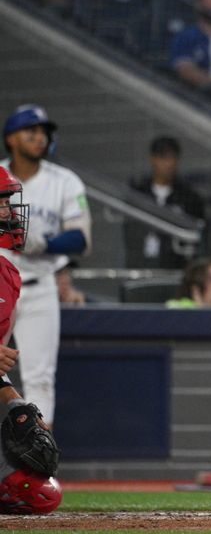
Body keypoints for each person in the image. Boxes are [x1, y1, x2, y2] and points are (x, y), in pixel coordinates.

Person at [1, 104, 92, 427]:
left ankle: (38, 464)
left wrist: (45, 243)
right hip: (0, 285)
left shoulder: (64, 181)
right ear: (11, 137)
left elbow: (80, 238)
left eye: (43, 132)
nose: (40, 138)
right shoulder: (0, 175)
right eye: (31, 131)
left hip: (39, 285)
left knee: (40, 378)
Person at [0, 166, 62, 515]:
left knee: (39, 493)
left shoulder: (5, 274)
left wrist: (15, 402)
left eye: (9, 201)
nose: (9, 211)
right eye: (1, 202)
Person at [124, 136, 206, 269]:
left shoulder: (188, 197)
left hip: (175, 267)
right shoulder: (139, 195)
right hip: (141, 266)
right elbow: (130, 234)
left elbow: (198, 237)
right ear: (153, 159)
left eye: (173, 158)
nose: (169, 164)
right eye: (164, 157)